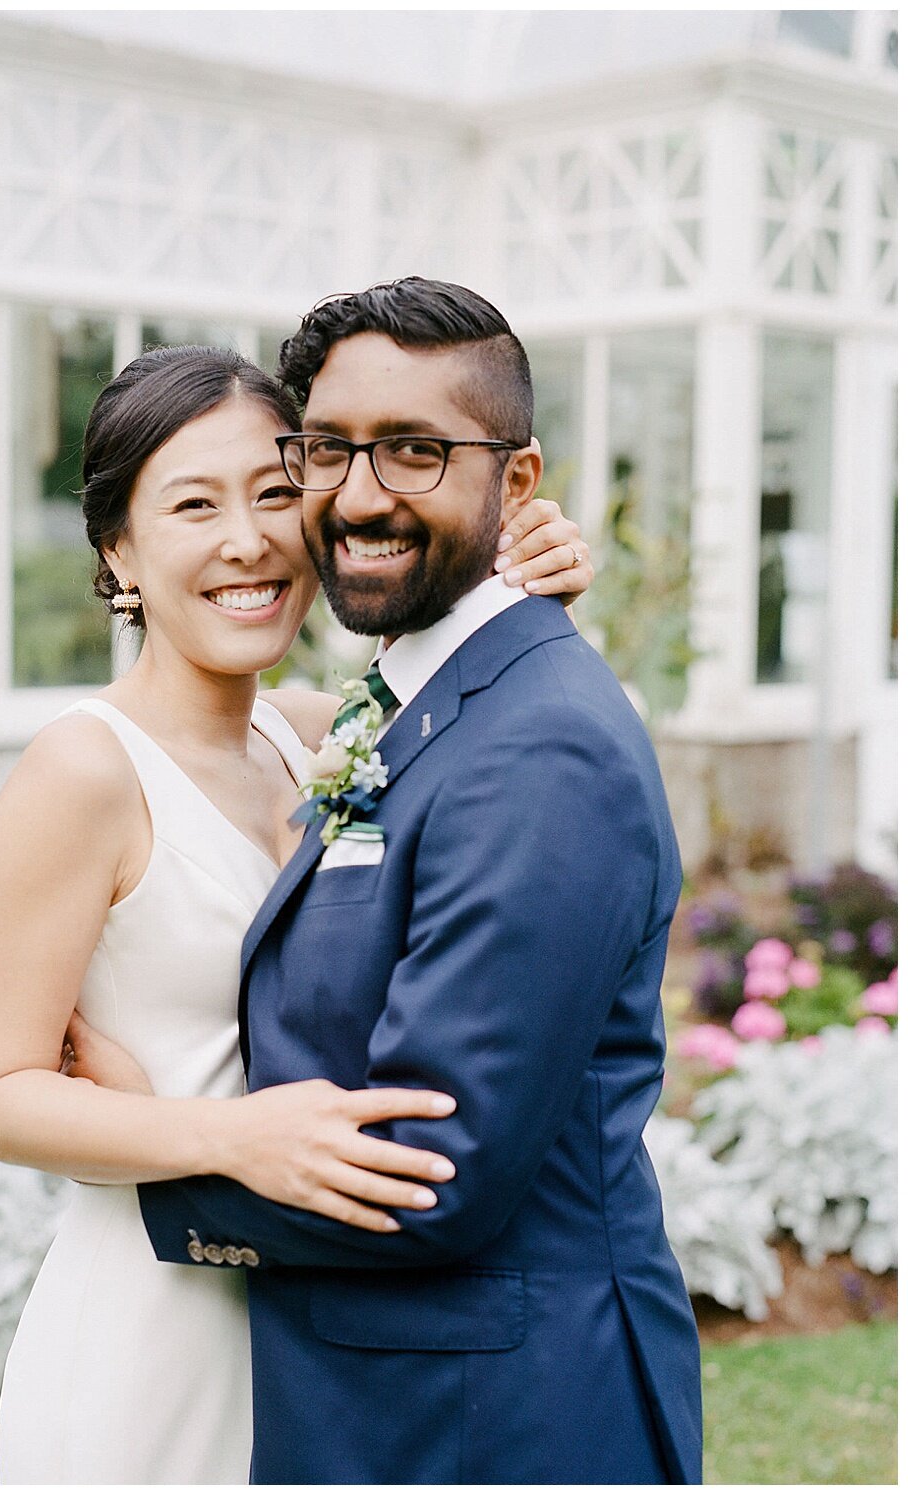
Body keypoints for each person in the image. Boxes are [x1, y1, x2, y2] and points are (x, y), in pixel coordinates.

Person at [0, 339, 593, 1483]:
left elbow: (473, 695)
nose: (247, 539)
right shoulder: (83, 772)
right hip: (151, 1331)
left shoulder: (312, 735)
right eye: (193, 504)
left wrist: (517, 571)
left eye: (275, 492)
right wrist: (227, 1134)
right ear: (119, 549)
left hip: (312, 1326)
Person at [123, 280, 704, 1484]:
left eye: (416, 452)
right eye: (328, 450)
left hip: (497, 1422)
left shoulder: (541, 744)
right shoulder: (403, 703)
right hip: (390, 1401)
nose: (362, 492)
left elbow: (431, 1176)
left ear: (520, 481)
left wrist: (149, 1159)